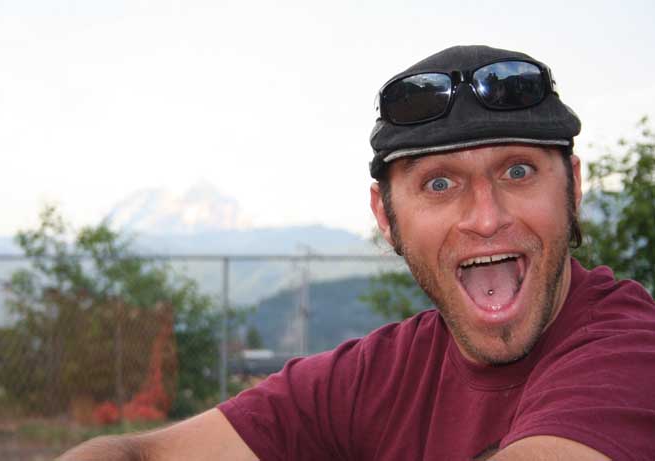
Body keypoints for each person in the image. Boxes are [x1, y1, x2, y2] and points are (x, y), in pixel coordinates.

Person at [59, 45, 655, 460]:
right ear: (385, 217)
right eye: (439, 183)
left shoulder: (631, 351)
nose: (485, 217)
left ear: (573, 187)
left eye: (518, 171)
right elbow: (135, 453)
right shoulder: (379, 376)